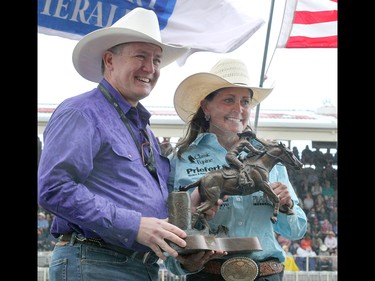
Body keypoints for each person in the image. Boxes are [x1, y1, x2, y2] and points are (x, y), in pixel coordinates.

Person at [37, 8, 191, 281]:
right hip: (97, 263)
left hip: (135, 266)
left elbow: (152, 202)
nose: (151, 68)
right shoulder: (82, 112)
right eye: (141, 56)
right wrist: (134, 226)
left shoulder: (143, 129)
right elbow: (53, 188)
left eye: (156, 60)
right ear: (109, 60)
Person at [164, 58, 307, 281]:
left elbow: (296, 231)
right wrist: (183, 264)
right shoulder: (181, 159)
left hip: (267, 274)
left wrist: (287, 205)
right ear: (206, 106)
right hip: (206, 274)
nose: (238, 109)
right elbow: (167, 232)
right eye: (228, 100)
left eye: (245, 102)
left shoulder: (272, 159)